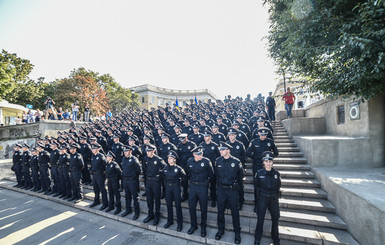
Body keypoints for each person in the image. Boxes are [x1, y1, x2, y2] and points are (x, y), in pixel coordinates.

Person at [215, 142, 244, 244]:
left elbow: (241, 177)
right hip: (222, 190)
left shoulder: (236, 162)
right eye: (220, 150)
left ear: (228, 150)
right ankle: (220, 230)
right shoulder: (218, 161)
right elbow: (216, 176)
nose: (221, 151)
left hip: (232, 191)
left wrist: (237, 189)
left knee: (235, 213)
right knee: (220, 211)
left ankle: (237, 233)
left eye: (222, 150)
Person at [247, 127, 279, 212]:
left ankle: (269, 204)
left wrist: (270, 159)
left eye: (264, 135)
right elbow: (248, 153)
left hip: (268, 167)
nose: (263, 136)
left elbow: (276, 152)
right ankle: (257, 204)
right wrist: (256, 158)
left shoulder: (270, 142)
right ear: (258, 134)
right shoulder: (254, 142)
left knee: (269, 185)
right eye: (261, 135)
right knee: (257, 186)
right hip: (257, 166)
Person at [254, 151, 281, 245]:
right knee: (260, 219)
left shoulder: (276, 174)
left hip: (273, 198)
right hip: (263, 198)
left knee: (275, 218)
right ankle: (257, 238)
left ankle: (275, 238)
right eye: (266, 161)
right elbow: (256, 187)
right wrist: (257, 202)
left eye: (270, 161)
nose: (268, 163)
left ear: (272, 162)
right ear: (263, 162)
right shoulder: (259, 173)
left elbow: (278, 187)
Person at [187, 146, 214, 237]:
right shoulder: (189, 161)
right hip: (193, 187)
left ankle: (203, 226)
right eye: (198, 154)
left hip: (203, 187)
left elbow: (212, 174)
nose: (200, 156)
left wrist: (206, 182)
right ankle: (193, 225)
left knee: (203, 208)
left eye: (201, 154)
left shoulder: (206, 161)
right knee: (191, 207)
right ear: (194, 154)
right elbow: (188, 173)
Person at [142, 144, 166, 225]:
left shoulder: (158, 159)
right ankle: (150, 214)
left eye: (149, 151)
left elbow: (165, 168)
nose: (148, 153)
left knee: (157, 199)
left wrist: (159, 175)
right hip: (148, 181)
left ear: (153, 151)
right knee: (149, 199)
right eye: (147, 151)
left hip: (156, 181)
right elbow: (144, 168)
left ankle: (157, 216)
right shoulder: (145, 158)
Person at [163, 150, 186, 231]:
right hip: (168, 188)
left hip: (176, 188)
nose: (169, 160)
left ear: (174, 159)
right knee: (169, 205)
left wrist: (181, 187)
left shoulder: (179, 169)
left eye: (171, 158)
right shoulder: (165, 168)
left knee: (178, 206)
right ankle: (170, 221)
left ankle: (180, 223)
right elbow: (164, 178)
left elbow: (184, 178)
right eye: (168, 158)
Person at [121, 145, 141, 220]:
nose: (125, 153)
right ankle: (128, 210)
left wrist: (133, 176)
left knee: (135, 197)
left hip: (133, 180)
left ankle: (136, 212)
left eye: (126, 151)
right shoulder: (123, 159)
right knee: (127, 196)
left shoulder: (134, 159)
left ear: (130, 151)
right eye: (124, 151)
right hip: (125, 180)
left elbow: (138, 170)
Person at [89, 143, 108, 211]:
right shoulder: (93, 156)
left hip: (100, 175)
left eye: (93, 149)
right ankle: (96, 201)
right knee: (95, 189)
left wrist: (105, 176)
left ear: (97, 149)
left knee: (102, 189)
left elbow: (106, 166)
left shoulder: (101, 156)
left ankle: (105, 203)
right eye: (92, 149)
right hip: (94, 175)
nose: (92, 150)